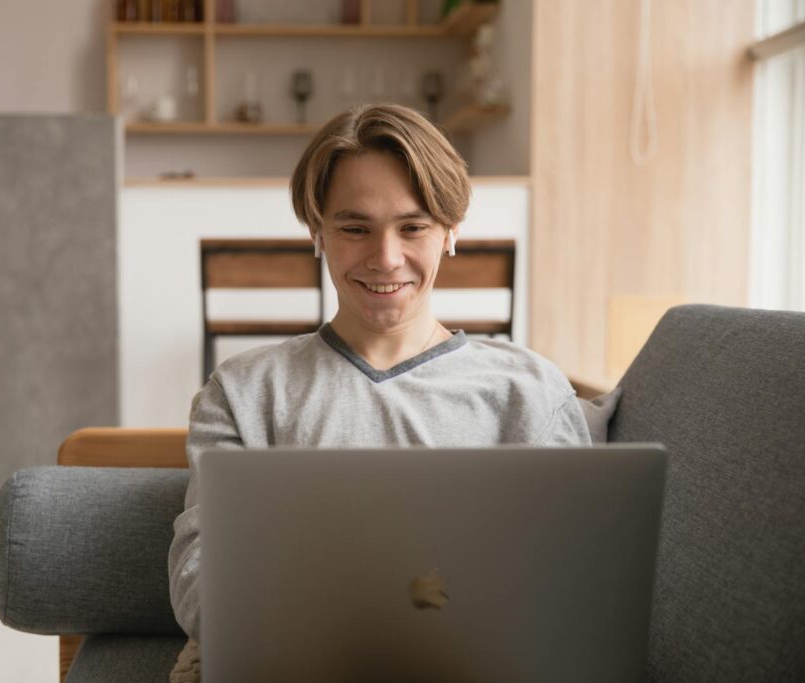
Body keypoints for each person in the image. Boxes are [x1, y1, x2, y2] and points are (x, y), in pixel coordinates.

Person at [167, 103, 591, 680]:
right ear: (317, 232)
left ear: (451, 232)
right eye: (354, 228)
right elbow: (201, 579)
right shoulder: (244, 393)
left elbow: (575, 585)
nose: (386, 257)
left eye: (413, 227)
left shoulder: (531, 393)